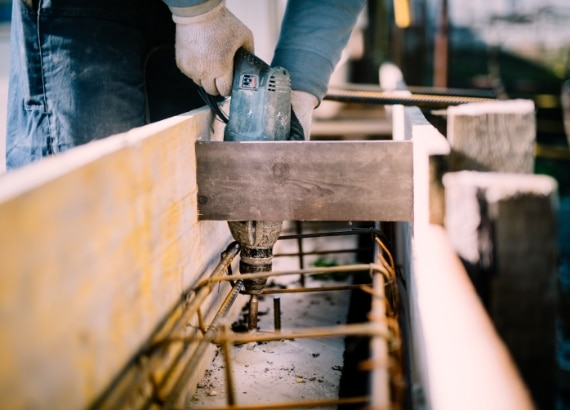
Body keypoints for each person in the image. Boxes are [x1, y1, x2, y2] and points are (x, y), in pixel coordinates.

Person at [6, 0, 366, 170]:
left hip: (181, 21)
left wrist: (300, 88)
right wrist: (197, 11)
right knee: (85, 200)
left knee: (172, 193)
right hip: (84, 13)